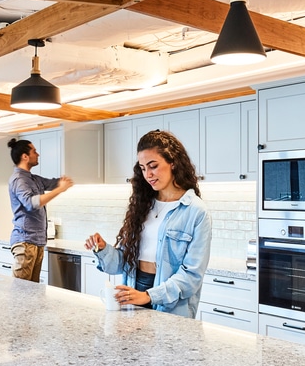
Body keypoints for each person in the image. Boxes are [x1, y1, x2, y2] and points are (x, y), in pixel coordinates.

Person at [85, 130, 212, 318]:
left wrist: (148, 296)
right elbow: (123, 263)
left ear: (173, 163)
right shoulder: (143, 206)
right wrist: (103, 249)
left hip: (170, 304)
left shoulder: (196, 211)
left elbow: (191, 277)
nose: (148, 174)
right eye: (143, 168)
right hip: (134, 292)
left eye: (153, 166)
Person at [7, 138, 73, 282]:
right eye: (34, 151)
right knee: (20, 291)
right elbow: (31, 203)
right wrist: (61, 189)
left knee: (32, 292)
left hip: (36, 242)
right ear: (25, 156)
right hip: (25, 242)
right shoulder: (19, 180)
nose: (38, 154)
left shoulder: (33, 179)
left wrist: (64, 181)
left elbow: (52, 183)